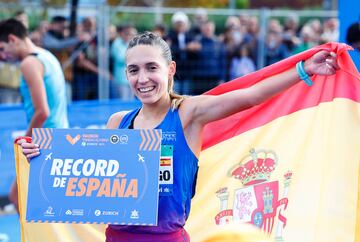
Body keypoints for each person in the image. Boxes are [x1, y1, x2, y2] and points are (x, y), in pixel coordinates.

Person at [18, 32, 338, 242]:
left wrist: (303, 70)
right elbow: (87, 178)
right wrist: (43, 157)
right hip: (117, 237)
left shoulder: (187, 114)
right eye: (133, 70)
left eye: (151, 68)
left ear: (170, 69)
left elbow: (251, 96)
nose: (142, 79)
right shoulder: (118, 122)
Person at [0, 18, 69, 212]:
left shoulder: (29, 63)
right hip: (59, 137)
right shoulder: (46, 56)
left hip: (45, 141)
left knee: (18, 197)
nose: (2, 56)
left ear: (13, 39)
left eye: (2, 48)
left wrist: (25, 139)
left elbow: (42, 111)